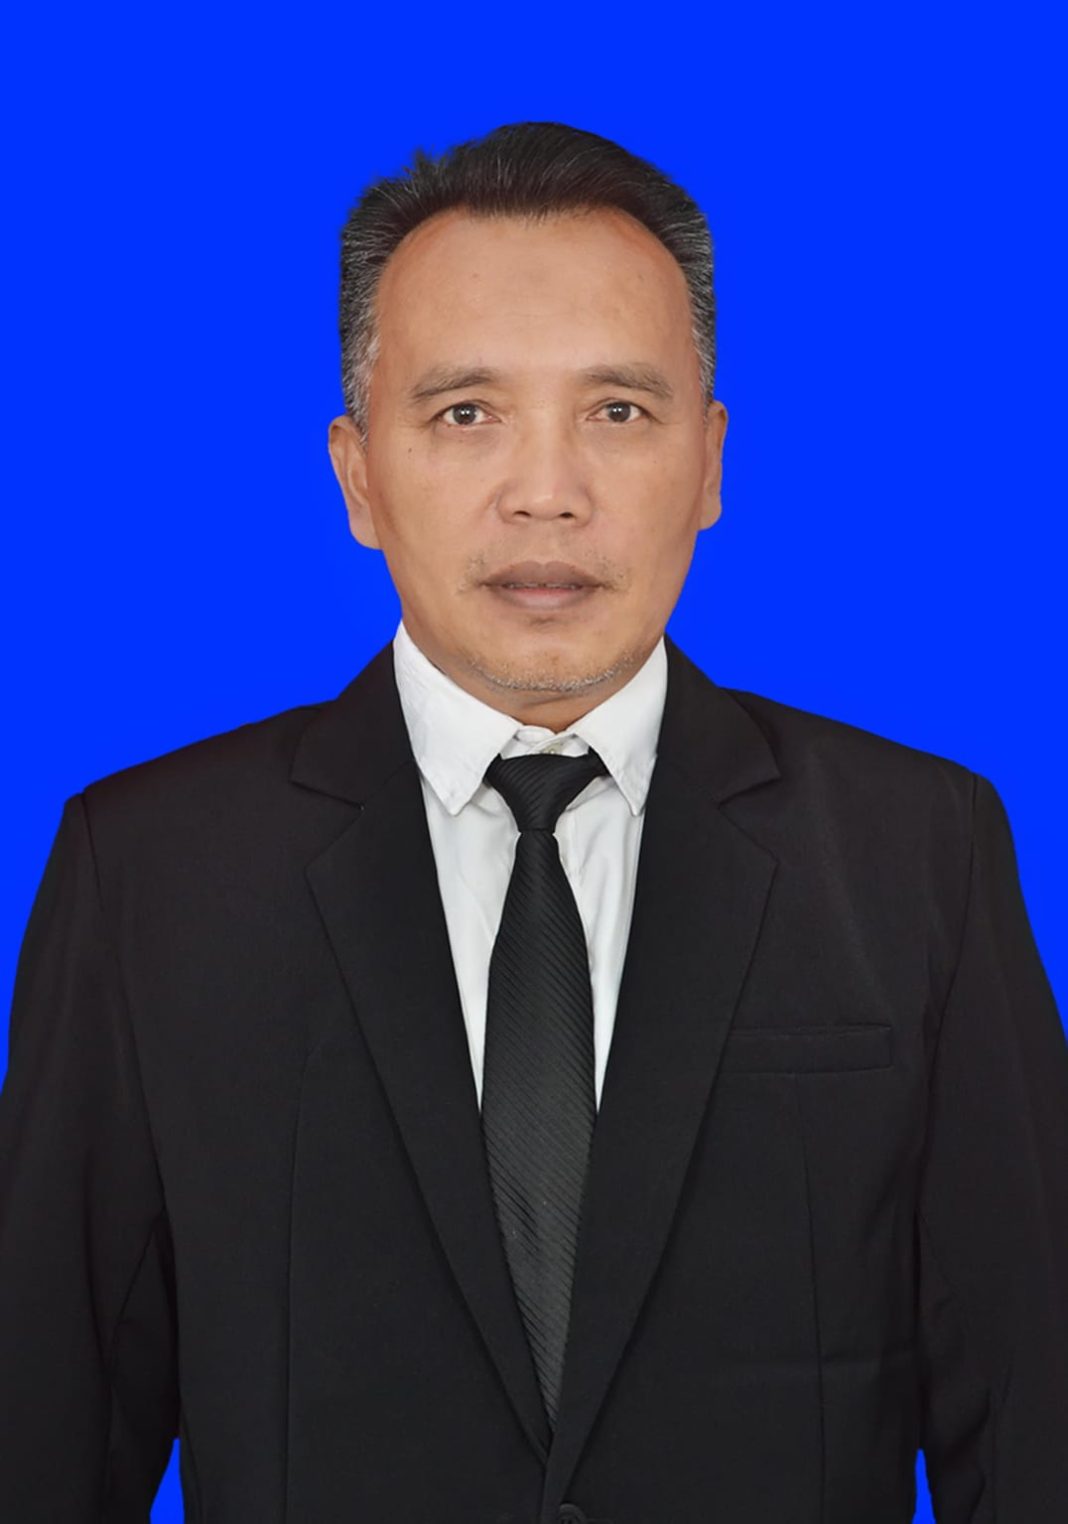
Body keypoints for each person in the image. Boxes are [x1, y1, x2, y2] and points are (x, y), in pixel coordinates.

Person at [1, 120, 1065, 1524]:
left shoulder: (920, 852)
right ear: (358, 475)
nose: (547, 495)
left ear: (710, 462)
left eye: (618, 411)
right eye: (466, 414)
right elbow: (43, 1437)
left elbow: (1037, 1426)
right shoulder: (150, 874)